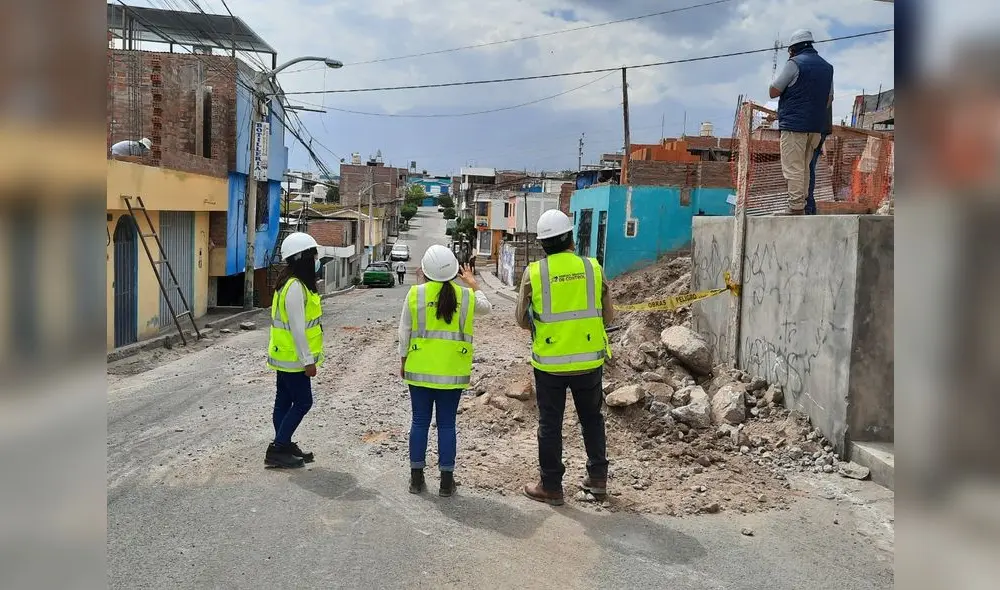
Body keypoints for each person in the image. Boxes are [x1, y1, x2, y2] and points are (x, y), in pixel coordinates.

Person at [515, 210, 614, 506]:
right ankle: (597, 480)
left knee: (550, 424)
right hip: (589, 360)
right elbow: (608, 316)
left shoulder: (534, 273)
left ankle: (551, 486)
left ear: (542, 244)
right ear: (571, 238)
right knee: (592, 419)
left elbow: (521, 319)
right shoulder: (593, 267)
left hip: (550, 364)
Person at [399, 245, 492, 497]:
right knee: (447, 424)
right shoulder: (466, 297)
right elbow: (487, 307)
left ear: (425, 270)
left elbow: (404, 332)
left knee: (419, 422)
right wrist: (472, 283)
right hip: (452, 372)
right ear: (453, 270)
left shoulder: (415, 294)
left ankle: (416, 480)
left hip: (419, 370)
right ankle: (446, 483)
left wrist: (403, 360)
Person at [264, 232, 324, 469]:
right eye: (313, 256)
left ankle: (284, 444)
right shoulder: (295, 288)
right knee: (303, 402)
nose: (316, 260)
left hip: (285, 355)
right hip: (294, 359)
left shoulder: (288, 283)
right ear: (303, 259)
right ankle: (278, 448)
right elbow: (298, 329)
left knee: (283, 401)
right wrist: (308, 361)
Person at [768, 29, 834, 215]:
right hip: (816, 127)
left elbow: (774, 91)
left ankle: (796, 206)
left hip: (794, 125)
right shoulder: (827, 68)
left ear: (793, 49)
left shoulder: (794, 63)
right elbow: (829, 99)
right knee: (805, 166)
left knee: (793, 167)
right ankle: (802, 205)